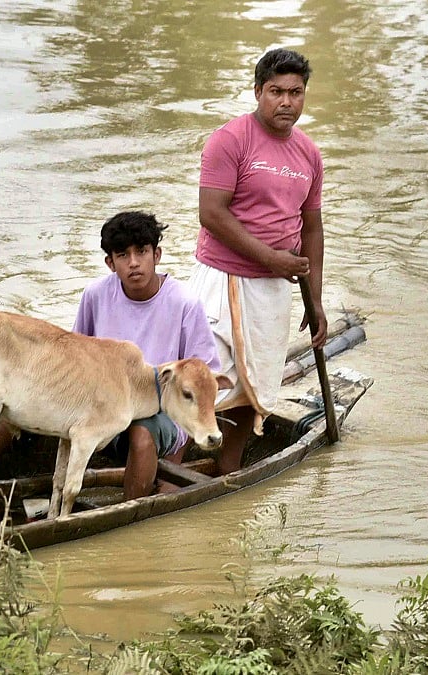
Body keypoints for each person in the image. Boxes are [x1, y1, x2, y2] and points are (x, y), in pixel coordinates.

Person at [188, 47, 328, 476]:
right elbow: (211, 213)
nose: (286, 102)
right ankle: (167, 468)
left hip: (273, 289)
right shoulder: (231, 139)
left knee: (255, 386)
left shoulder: (309, 154)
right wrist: (271, 257)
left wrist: (316, 301)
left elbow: (312, 229)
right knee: (199, 381)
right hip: (222, 279)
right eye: (275, 92)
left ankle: (227, 470)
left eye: (296, 93)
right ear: (257, 92)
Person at [71, 211, 220, 499]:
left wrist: (177, 456)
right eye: (123, 255)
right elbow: (77, 358)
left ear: (157, 254)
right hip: (106, 409)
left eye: (142, 251)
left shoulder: (184, 302)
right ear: (110, 263)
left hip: (160, 415)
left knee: (141, 434)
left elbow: (202, 382)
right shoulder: (95, 295)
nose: (134, 263)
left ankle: (130, 513)